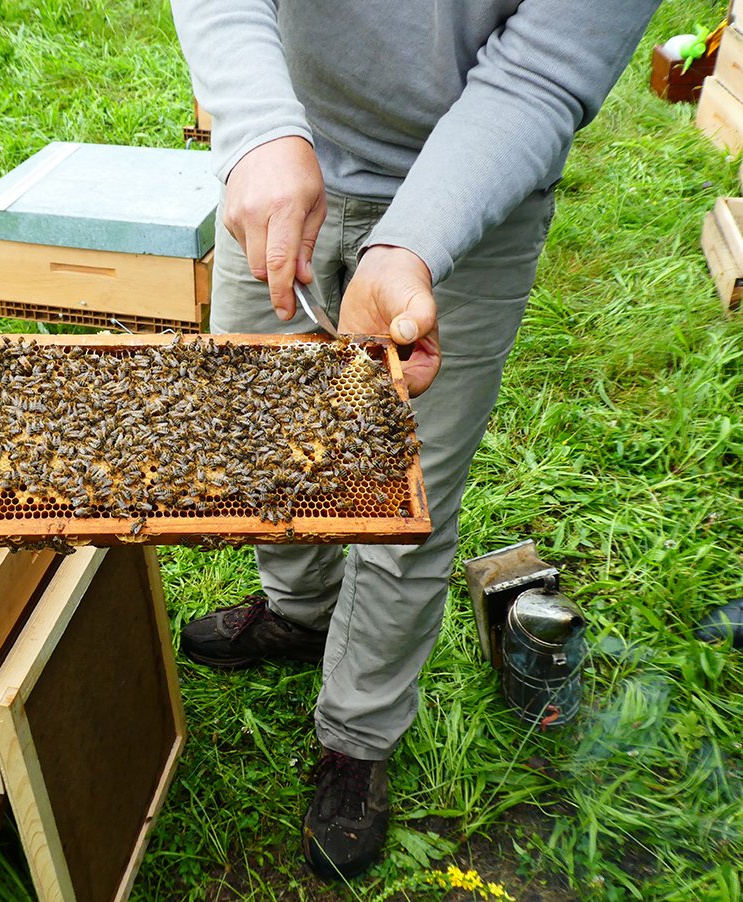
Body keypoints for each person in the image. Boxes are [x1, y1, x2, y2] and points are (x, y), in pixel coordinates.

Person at [169, 0, 660, 882]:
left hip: (475, 194)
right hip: (287, 170)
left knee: (404, 502)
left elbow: (545, 69)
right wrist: (258, 126)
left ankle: (357, 737)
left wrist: (414, 243)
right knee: (270, 446)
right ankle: (300, 612)